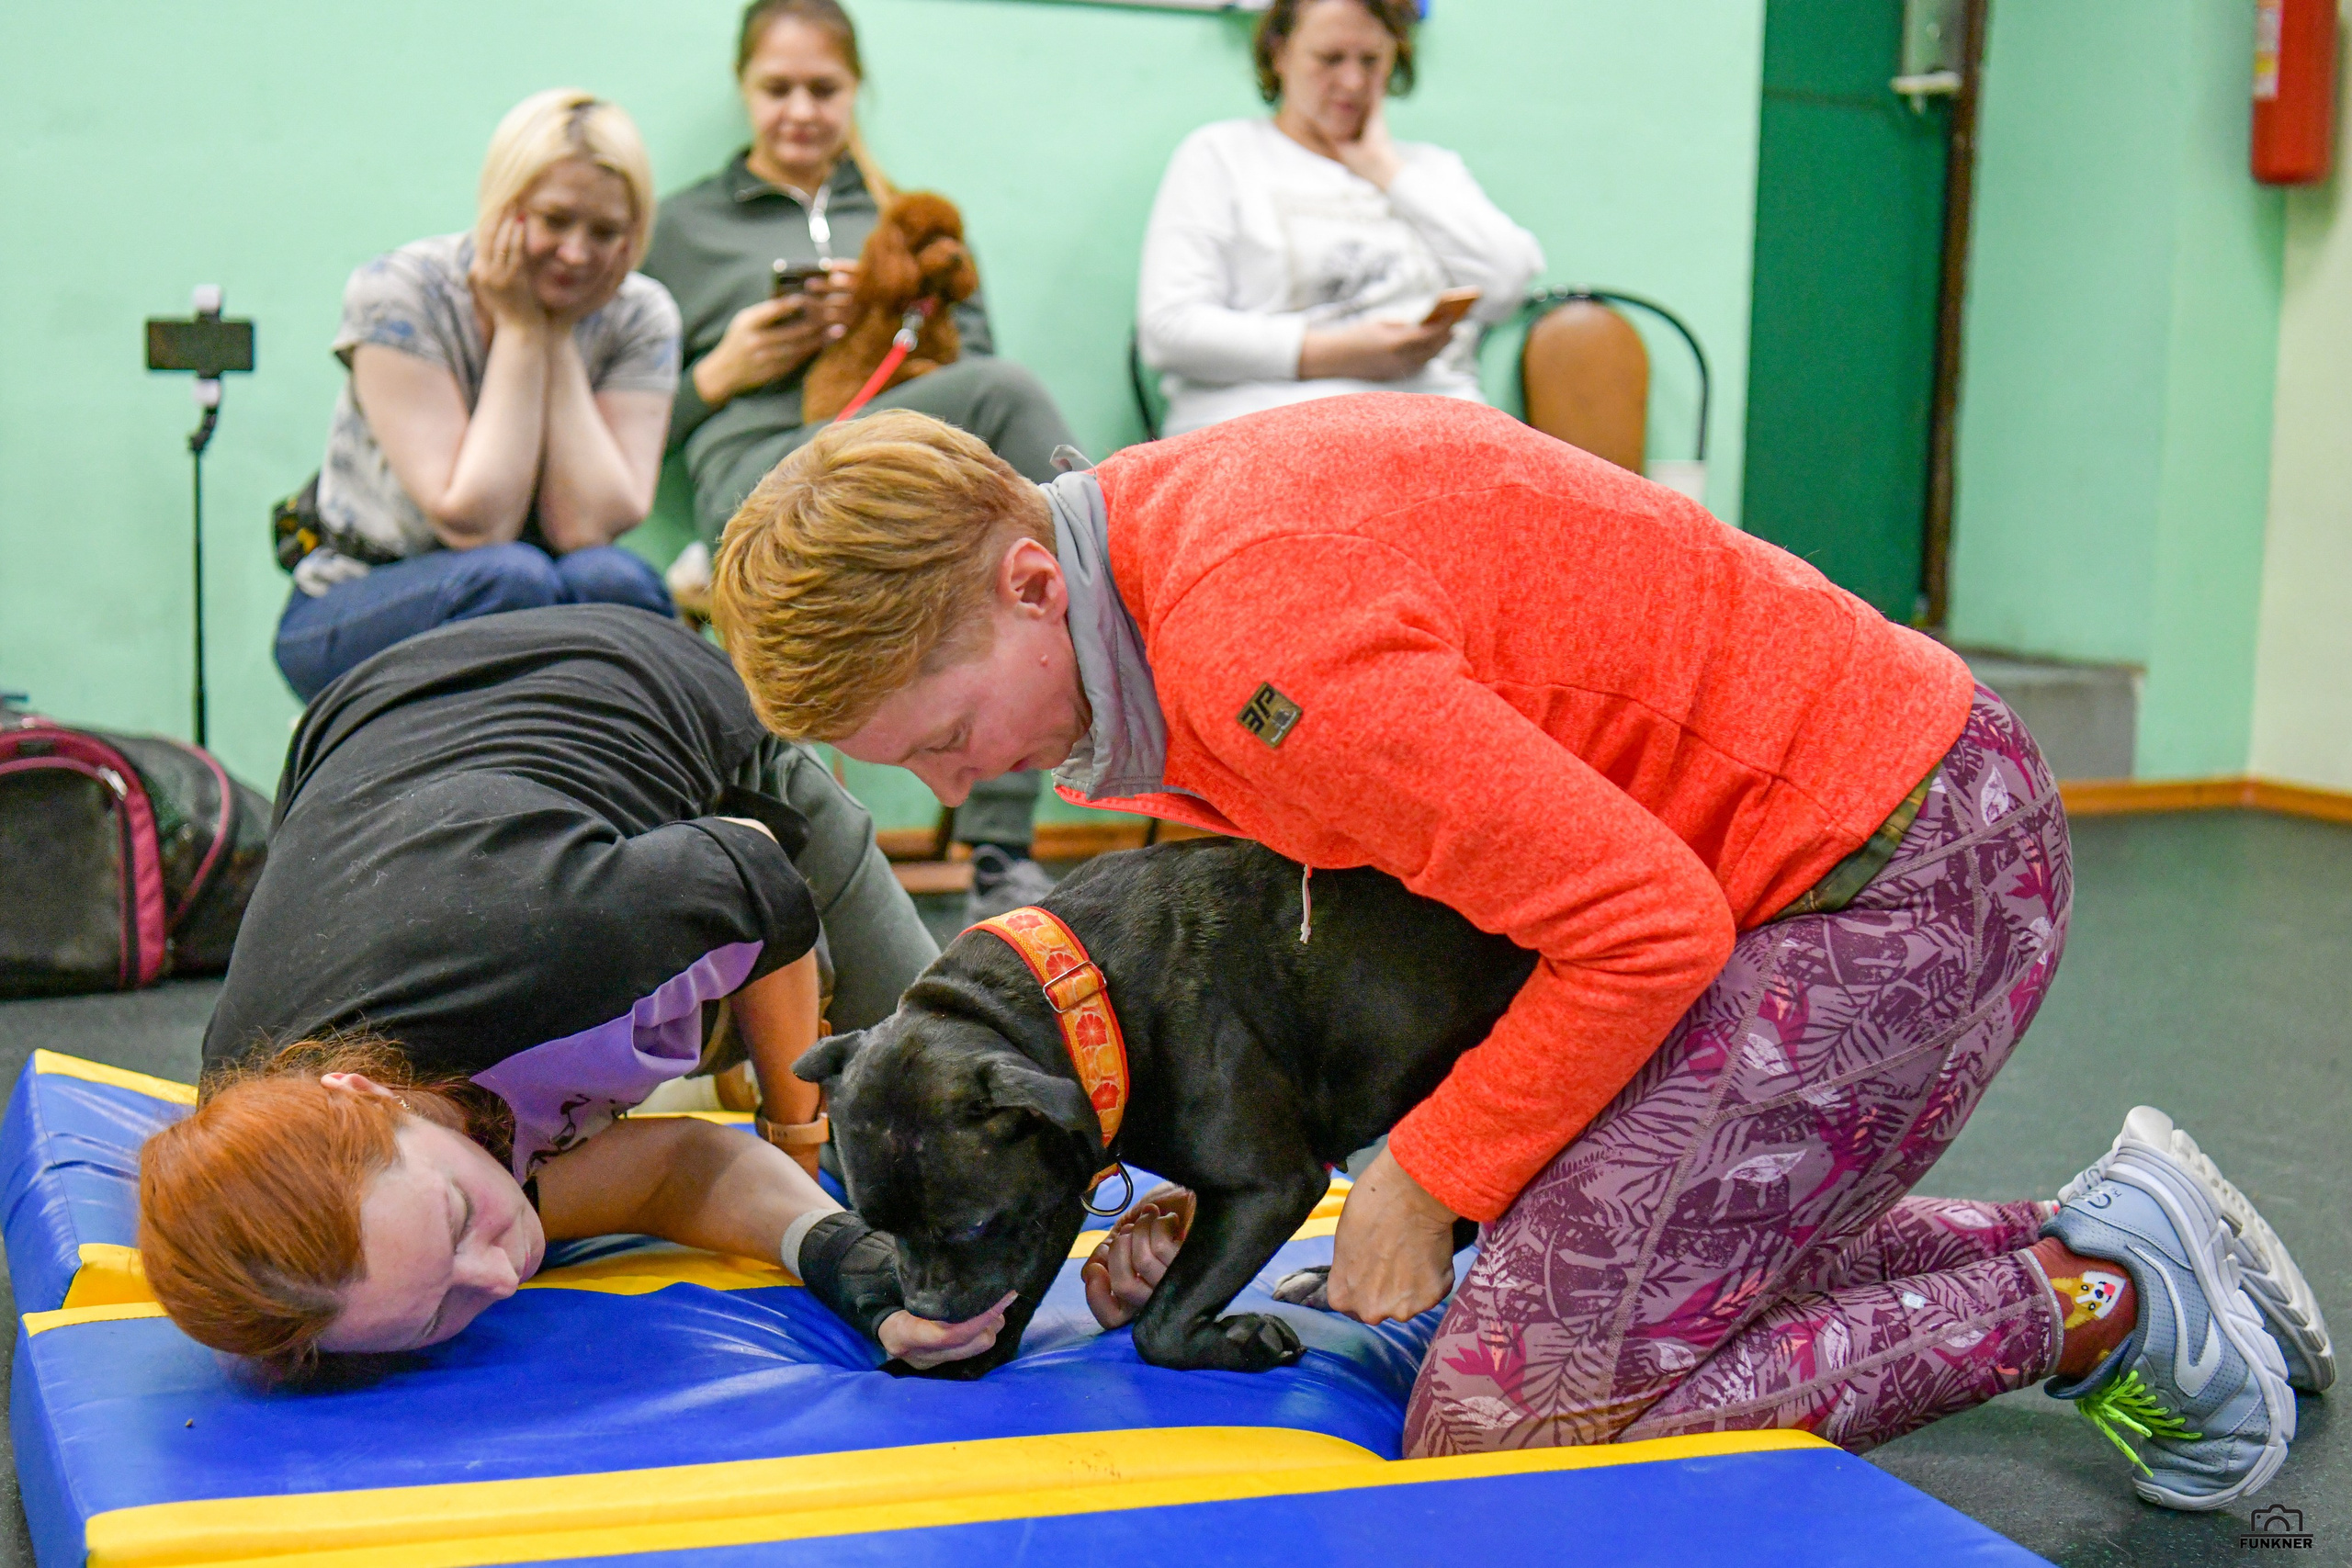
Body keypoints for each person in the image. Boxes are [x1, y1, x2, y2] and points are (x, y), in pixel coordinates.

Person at [706, 397, 2329, 1510]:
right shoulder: (1141, 554)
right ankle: (2094, 1218)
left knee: (1512, 1419)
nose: (958, 781)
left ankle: (2099, 1297)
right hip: (1803, 851)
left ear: (1028, 582)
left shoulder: (1254, 644)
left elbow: (1642, 927)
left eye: (945, 733)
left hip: (1903, 867)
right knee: (1582, 1269)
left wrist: (1421, 1177)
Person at [141, 606, 1179, 1375]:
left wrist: (799, 1136)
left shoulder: (557, 943)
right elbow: (673, 1171)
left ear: (365, 1095)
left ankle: (741, 1026)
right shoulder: (288, 1182)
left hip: (662, 717)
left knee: (948, 1105)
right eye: (434, 1318)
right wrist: (842, 1257)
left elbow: (760, 863)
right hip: (378, 743)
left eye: (458, 1222)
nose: (497, 1276)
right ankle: (705, 1025)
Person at [644, 0, 1074, 919]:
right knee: (1001, 403)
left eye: (823, 89)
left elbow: (978, 378)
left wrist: (885, 318)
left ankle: (1001, 845)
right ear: (743, 90)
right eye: (778, 89)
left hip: (887, 452)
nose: (800, 110)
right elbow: (626, 420)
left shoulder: (906, 220)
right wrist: (723, 371)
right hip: (758, 471)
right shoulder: (678, 229)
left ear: (855, 92)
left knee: (1003, 401)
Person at [275, 90, 680, 703]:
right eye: (554, 220)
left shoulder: (641, 313)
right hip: (356, 596)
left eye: (604, 232)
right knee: (508, 578)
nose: (576, 253)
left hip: (530, 586)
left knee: (615, 583)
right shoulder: (400, 291)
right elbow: (477, 523)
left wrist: (556, 334)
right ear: (505, 206)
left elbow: (586, 527)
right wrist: (520, 329)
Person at [1136, 0, 1544, 437]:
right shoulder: (1221, 155)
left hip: (1435, 425)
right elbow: (1168, 331)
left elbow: (1508, 282)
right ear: (1279, 54)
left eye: (1371, 60)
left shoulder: (1429, 170)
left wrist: (1384, 169)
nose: (1353, 82)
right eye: (1330, 59)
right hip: (1270, 426)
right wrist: (1332, 352)